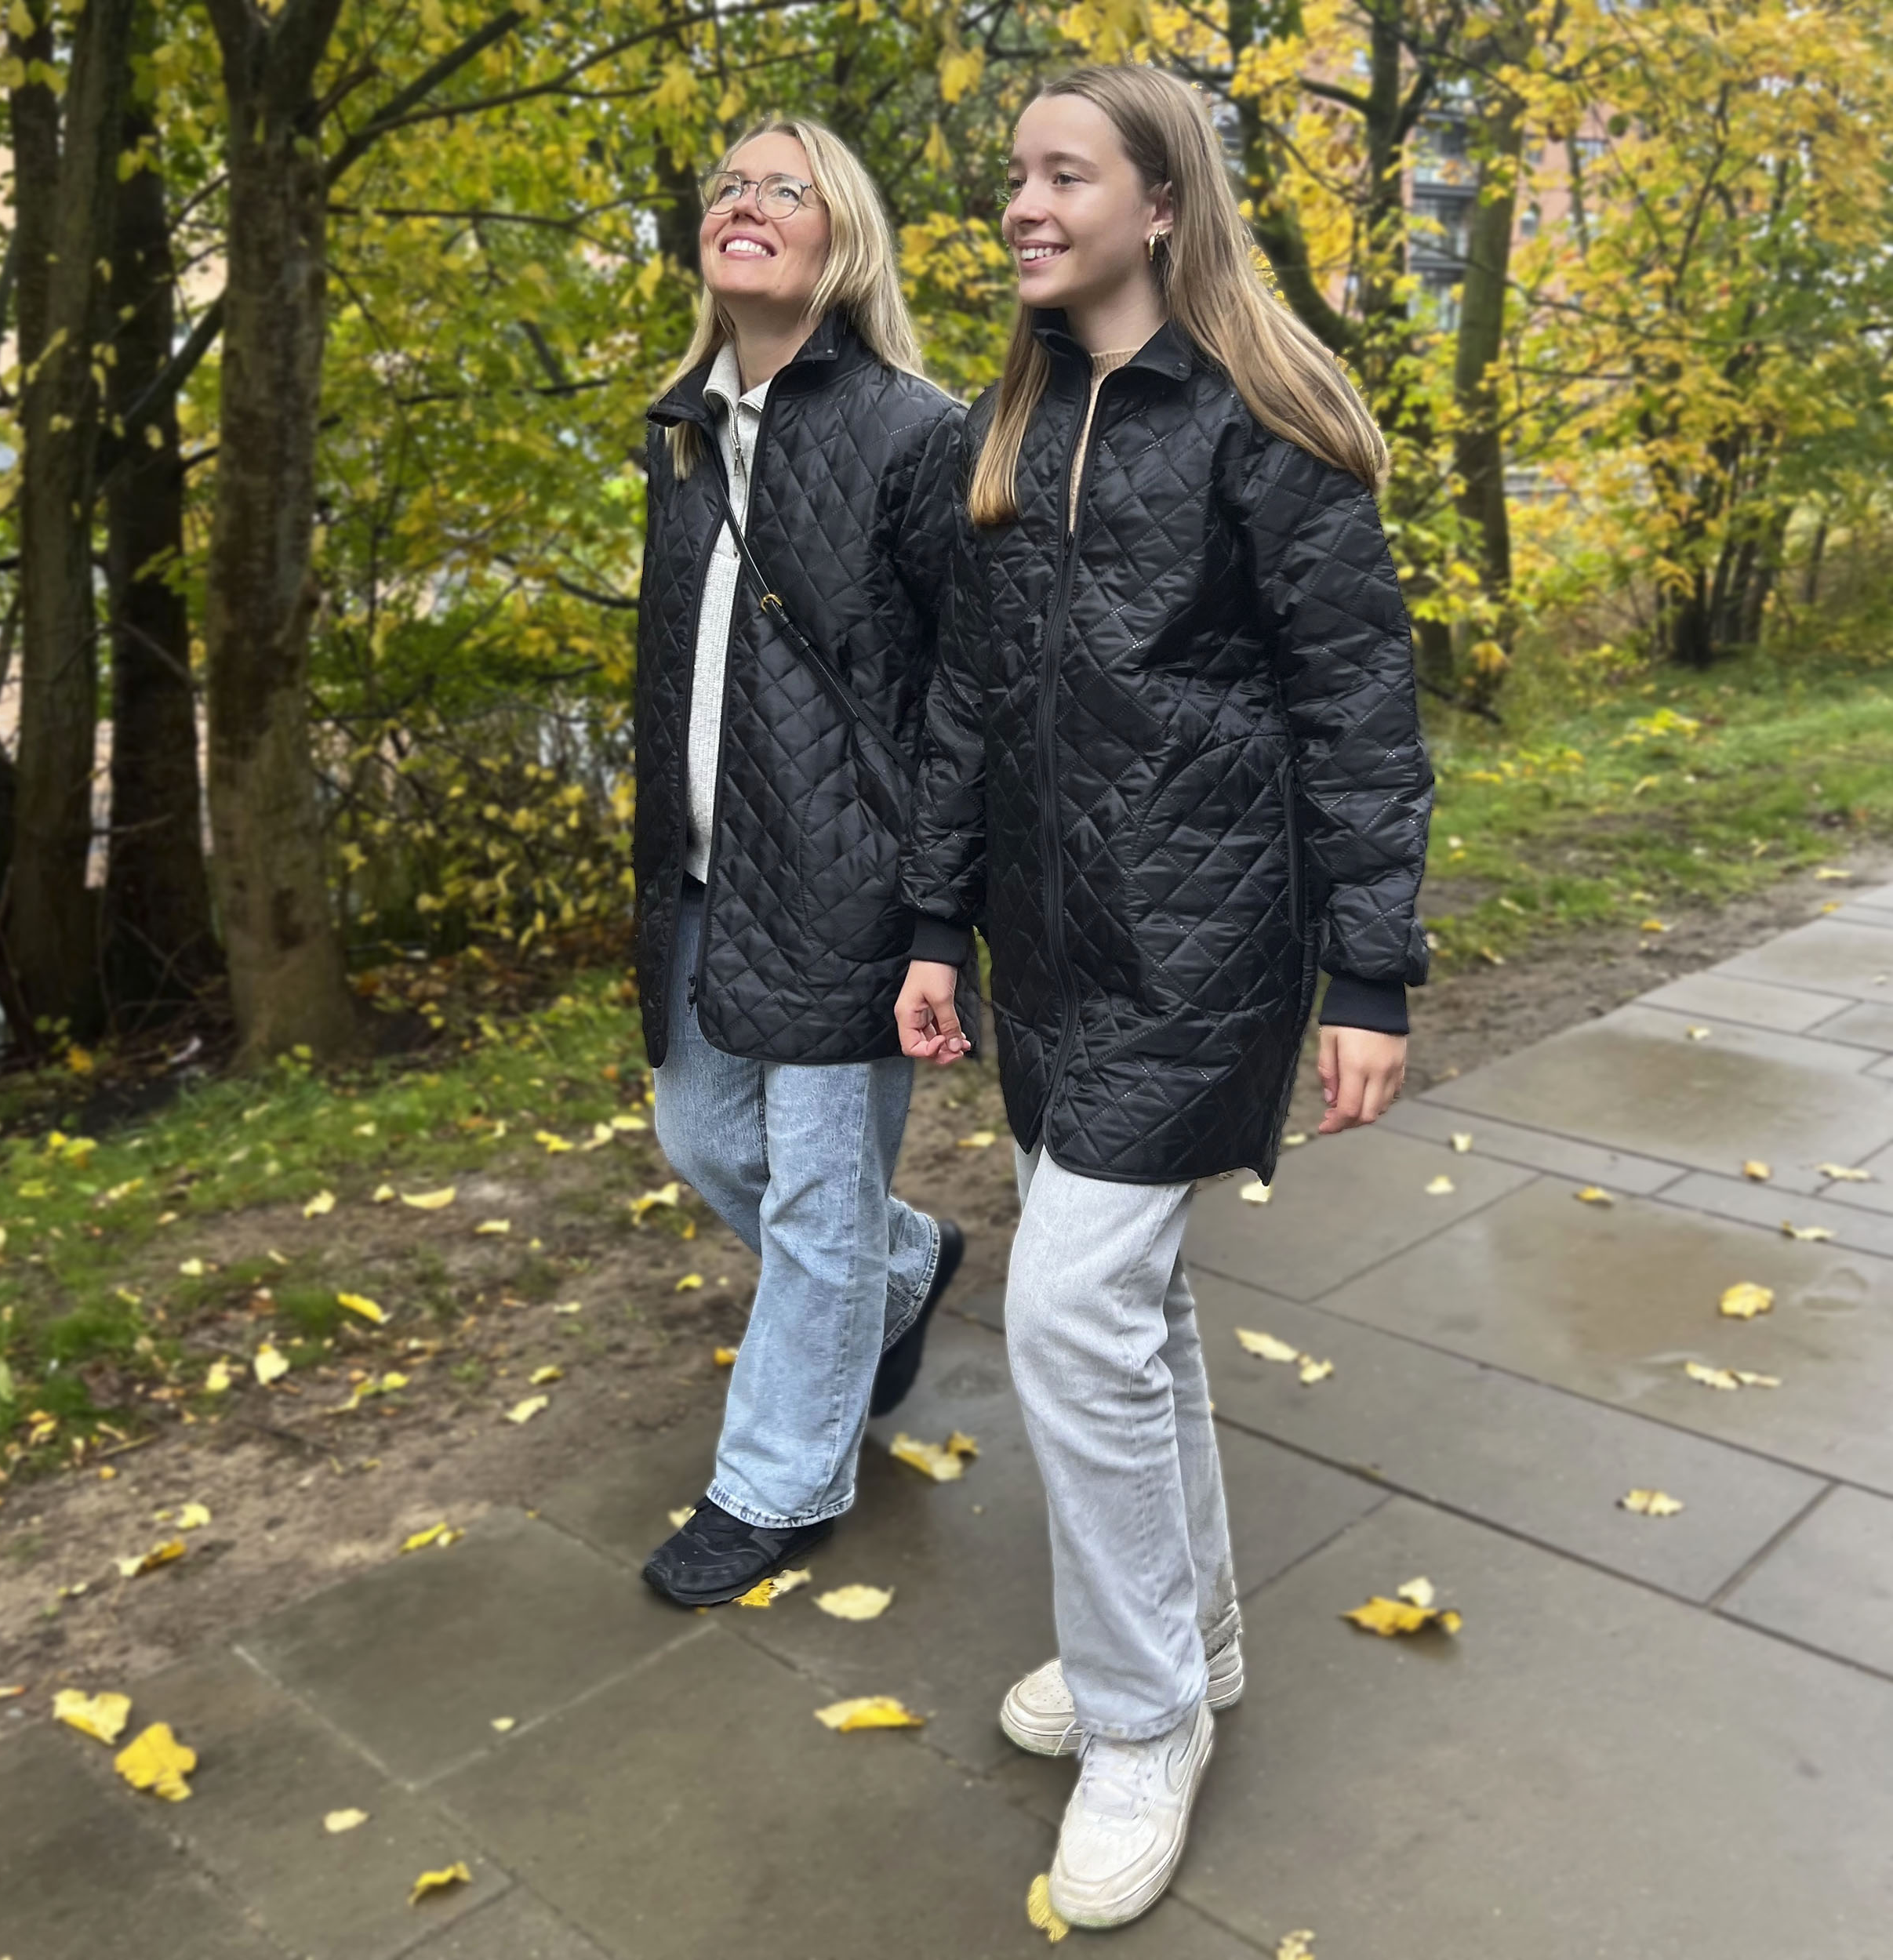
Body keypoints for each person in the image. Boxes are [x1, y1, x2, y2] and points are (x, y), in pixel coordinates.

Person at [895, 66, 1431, 1929]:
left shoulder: (1260, 422)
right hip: (1045, 955)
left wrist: (1368, 969)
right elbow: (962, 705)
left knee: (1065, 1313)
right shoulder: (1011, 425)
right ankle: (1186, 1638)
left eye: (1063, 173)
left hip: (1207, 951)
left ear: (1159, 203)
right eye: (1013, 174)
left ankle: (1138, 1722)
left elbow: (1357, 712)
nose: (1022, 203)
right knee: (1126, 1314)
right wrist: (934, 925)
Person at [632, 117, 968, 1608]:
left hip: (852, 882)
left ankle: (774, 1484)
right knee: (705, 1140)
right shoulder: (682, 432)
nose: (745, 201)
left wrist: (939, 916)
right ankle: (904, 1269)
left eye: (786, 187)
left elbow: (967, 696)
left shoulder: (915, 431)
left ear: (843, 238)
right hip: (709, 877)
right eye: (728, 184)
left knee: (820, 1200)